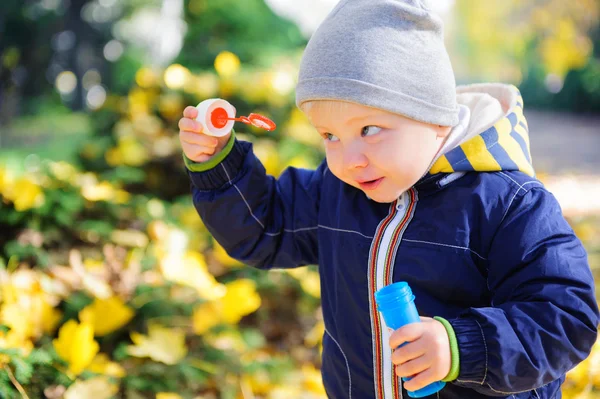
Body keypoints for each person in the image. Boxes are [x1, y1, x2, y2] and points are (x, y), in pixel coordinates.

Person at [177, 0, 599, 397]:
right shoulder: (336, 192)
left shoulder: (507, 205)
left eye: (369, 130)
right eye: (330, 136)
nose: (349, 160)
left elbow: (566, 316)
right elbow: (264, 227)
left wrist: (460, 347)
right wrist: (217, 162)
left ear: (433, 117)